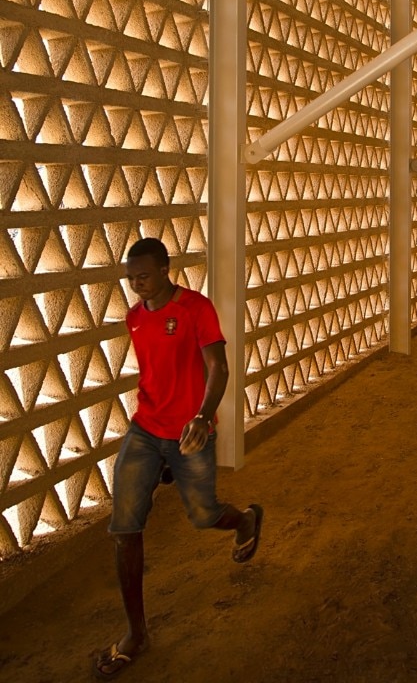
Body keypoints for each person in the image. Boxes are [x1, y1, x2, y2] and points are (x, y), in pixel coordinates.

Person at [93, 237, 263, 680]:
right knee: (124, 527)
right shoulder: (134, 317)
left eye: (144, 275)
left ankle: (243, 520)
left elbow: (219, 368)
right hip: (145, 429)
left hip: (191, 433)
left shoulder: (195, 309)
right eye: (131, 277)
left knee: (203, 515)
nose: (136, 284)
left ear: (166, 269)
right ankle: (137, 633)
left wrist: (202, 418)